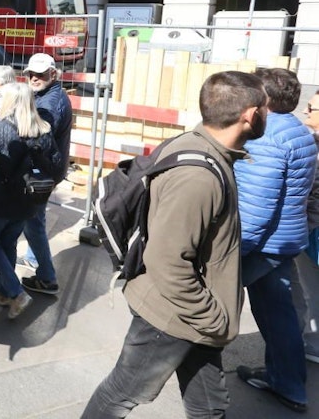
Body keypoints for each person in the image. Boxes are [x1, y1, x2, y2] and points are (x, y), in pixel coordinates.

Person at [82, 71, 268, 419]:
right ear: (250, 114)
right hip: (173, 317)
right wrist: (213, 317)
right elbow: (168, 261)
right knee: (122, 393)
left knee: (209, 405)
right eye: (265, 109)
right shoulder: (198, 177)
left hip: (192, 314)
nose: (267, 115)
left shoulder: (198, 144)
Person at [234, 68, 316, 413]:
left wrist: (237, 252)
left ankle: (286, 383)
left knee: (254, 308)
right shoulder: (301, 132)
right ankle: (289, 379)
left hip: (262, 243)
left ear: (264, 99)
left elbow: (256, 207)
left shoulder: (267, 138)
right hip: (285, 238)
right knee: (278, 310)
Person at [0, 83, 61, 320]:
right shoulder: (44, 129)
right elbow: (55, 163)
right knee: (9, 242)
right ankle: (2, 292)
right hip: (29, 201)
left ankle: (15, 292)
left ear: (11, 102)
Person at [18, 53, 71, 296]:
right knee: (34, 219)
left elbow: (39, 138)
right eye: (32, 73)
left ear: (53, 73)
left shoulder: (49, 103)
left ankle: (47, 277)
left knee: (33, 221)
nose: (35, 78)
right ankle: (34, 259)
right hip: (47, 168)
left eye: (41, 74)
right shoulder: (49, 95)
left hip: (42, 170)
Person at [299, 90, 319, 364]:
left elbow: (312, 196)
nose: (306, 112)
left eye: (311, 109)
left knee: (311, 290)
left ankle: (313, 344)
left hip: (313, 232)